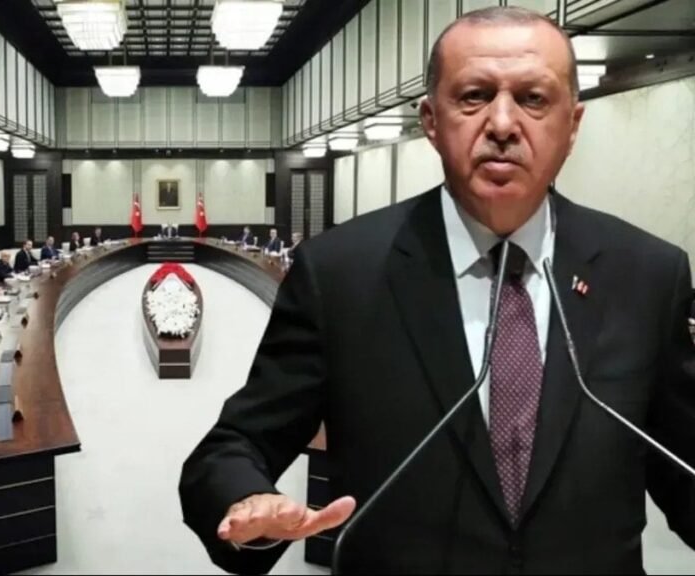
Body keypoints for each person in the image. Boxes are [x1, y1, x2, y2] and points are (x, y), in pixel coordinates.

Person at [179, 7, 695, 574]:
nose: (503, 124)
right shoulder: (341, 274)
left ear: (572, 125)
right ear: (431, 120)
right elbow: (232, 447)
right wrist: (246, 499)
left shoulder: (648, 275)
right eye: (474, 96)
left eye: (533, 99)